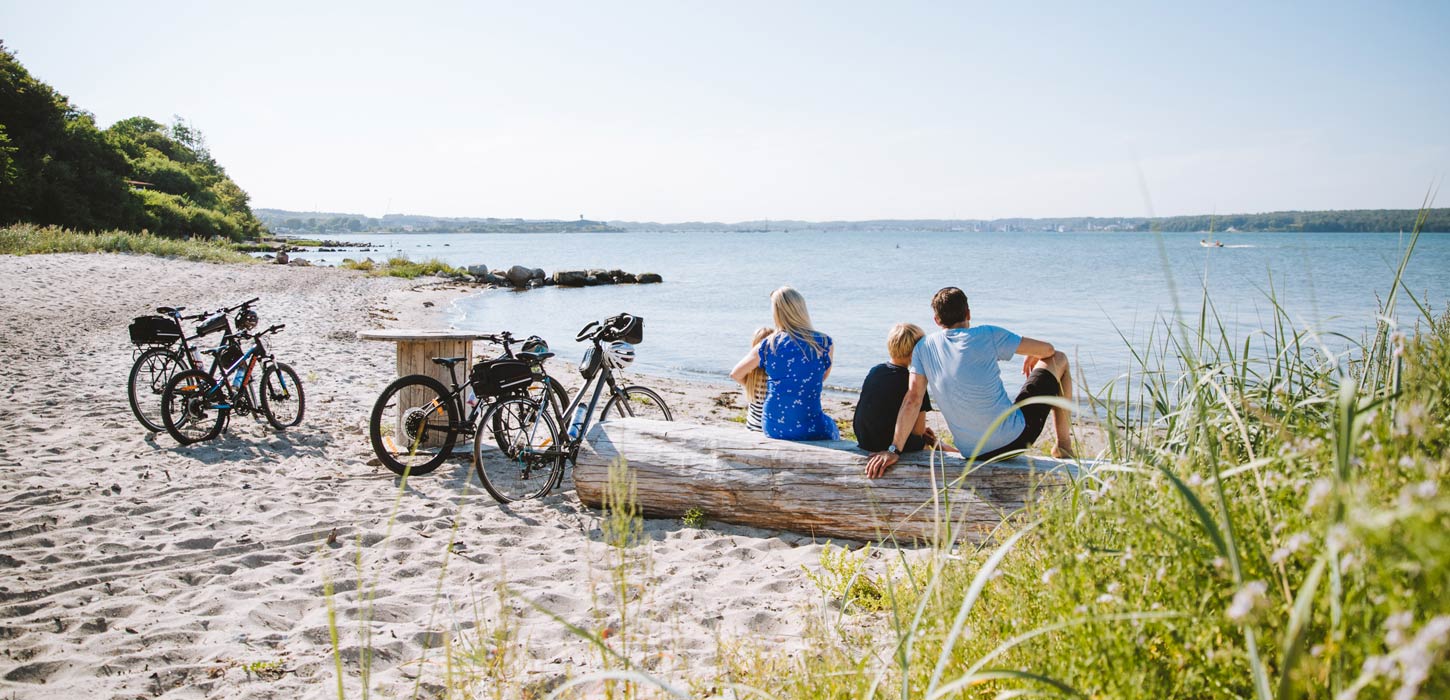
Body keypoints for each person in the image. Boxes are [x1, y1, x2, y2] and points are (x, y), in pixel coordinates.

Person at [865, 287, 1073, 478]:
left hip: (971, 452)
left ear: (937, 320)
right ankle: (1063, 446)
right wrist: (1034, 354)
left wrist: (894, 449)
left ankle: (1062, 446)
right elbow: (1049, 350)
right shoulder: (988, 334)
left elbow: (913, 399)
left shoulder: (923, 347)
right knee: (1060, 358)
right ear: (968, 313)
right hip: (1014, 440)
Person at [730, 286, 839, 441]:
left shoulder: (768, 344)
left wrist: (754, 386)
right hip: (810, 425)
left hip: (773, 426)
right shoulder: (824, 342)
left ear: (777, 313)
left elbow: (736, 373)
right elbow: (821, 378)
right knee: (832, 428)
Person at [853, 323, 942, 453]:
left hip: (865, 439)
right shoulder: (913, 382)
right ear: (916, 352)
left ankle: (941, 446)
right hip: (889, 444)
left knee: (932, 443)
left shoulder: (875, 371)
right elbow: (918, 432)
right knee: (927, 448)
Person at [740, 327, 774, 432]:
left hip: (751, 428)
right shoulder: (775, 377)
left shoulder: (750, 376)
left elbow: (735, 375)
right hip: (769, 430)